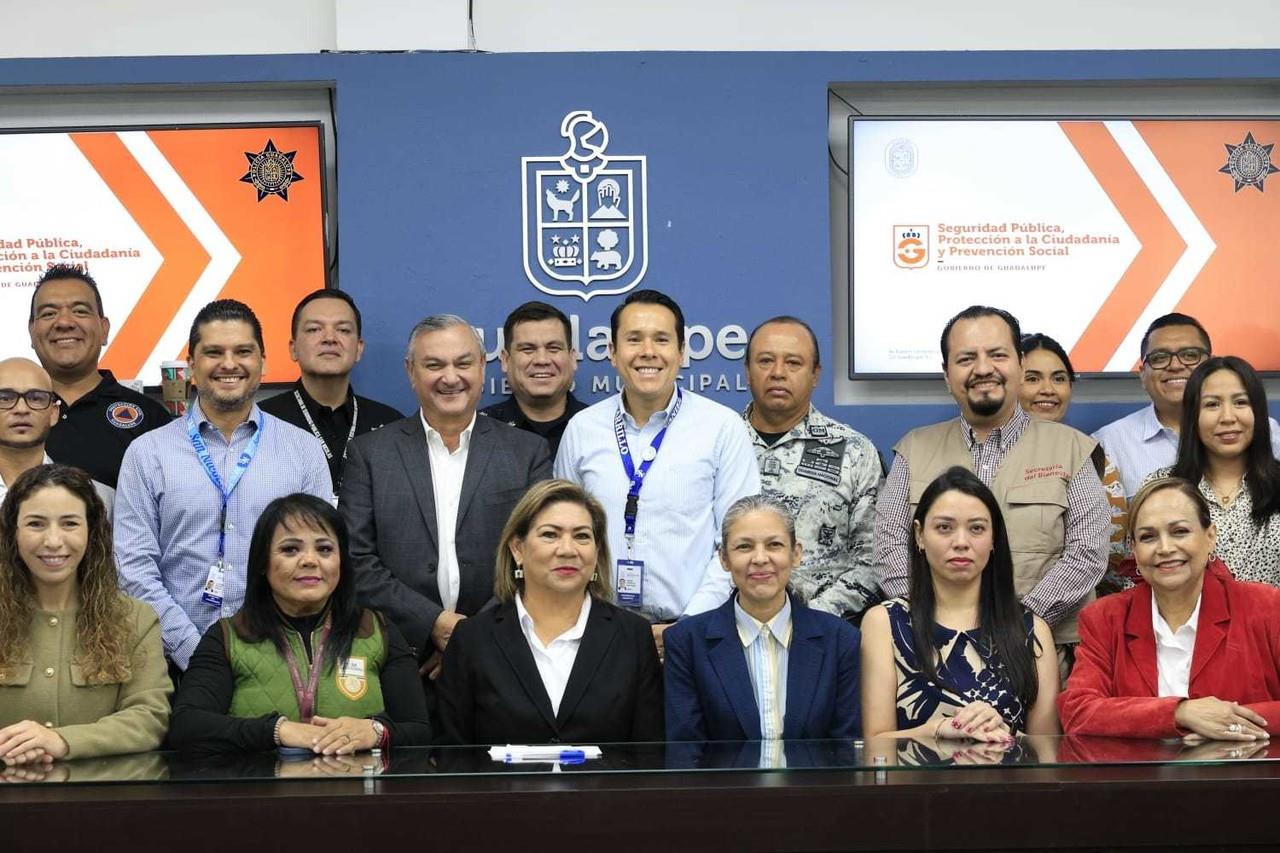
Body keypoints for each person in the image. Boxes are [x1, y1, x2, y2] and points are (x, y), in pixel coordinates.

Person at [874, 305, 1108, 660]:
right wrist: (941, 625)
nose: (983, 369)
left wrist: (1018, 625)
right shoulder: (913, 449)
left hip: (1046, 654)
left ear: (1020, 363)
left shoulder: (1072, 449)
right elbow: (889, 548)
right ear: (947, 374)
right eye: (966, 358)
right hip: (933, 657)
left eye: (997, 355)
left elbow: (1087, 552)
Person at [114, 299, 333, 672]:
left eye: (243, 352)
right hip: (172, 665)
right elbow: (133, 569)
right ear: (193, 367)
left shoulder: (303, 451)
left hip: (281, 662)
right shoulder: (147, 453)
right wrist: (196, 654)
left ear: (263, 363)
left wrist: (270, 654)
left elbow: (320, 563)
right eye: (213, 352)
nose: (229, 364)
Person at [342, 314, 551, 677]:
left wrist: (471, 636)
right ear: (411, 371)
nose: (450, 377)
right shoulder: (370, 454)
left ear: (483, 368)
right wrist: (434, 624)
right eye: (434, 365)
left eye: (463, 363)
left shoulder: (527, 452)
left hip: (503, 654)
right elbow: (356, 559)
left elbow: (538, 557)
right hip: (400, 656)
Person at [555, 289, 760, 655]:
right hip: (597, 637)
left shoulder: (722, 428)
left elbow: (738, 543)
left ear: (682, 352)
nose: (648, 351)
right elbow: (562, 539)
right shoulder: (582, 430)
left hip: (699, 635)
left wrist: (687, 627)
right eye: (634, 339)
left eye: (662, 339)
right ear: (613, 353)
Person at [169, 493, 431, 753]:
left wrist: (376, 732)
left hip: (357, 792)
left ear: (342, 562)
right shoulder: (228, 636)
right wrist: (279, 731)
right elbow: (186, 727)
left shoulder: (376, 629)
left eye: (325, 549)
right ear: (263, 563)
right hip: (261, 792)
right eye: (290, 549)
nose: (309, 560)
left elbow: (420, 731)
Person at [436, 479, 662, 745]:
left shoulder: (633, 636)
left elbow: (650, 754)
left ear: (597, 550)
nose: (567, 550)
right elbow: (452, 755)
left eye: (582, 536)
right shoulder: (472, 639)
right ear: (517, 549)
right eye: (550, 534)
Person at [1059, 477, 1280, 740]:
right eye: (1148, 537)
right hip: (1140, 779)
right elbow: (1078, 711)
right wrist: (1180, 713)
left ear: (1210, 537)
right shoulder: (1106, 617)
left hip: (1247, 777)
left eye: (1180, 532)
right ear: (1134, 550)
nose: (1165, 548)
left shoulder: (1266, 606)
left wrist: (1223, 724)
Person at [862, 467, 1059, 740]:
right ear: (919, 535)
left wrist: (1003, 732)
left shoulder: (1033, 630)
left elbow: (1048, 754)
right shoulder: (884, 623)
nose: (961, 542)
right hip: (915, 781)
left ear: (993, 539)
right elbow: (874, 744)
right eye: (945, 528)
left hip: (1009, 781)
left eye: (977, 528)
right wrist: (938, 730)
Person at [0, 465, 171, 764]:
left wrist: (62, 741)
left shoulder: (135, 619)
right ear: (13, 533)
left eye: (69, 524)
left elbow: (149, 717)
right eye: (36, 524)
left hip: (99, 804)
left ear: (92, 532)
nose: (53, 541)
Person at [663, 494, 861, 741]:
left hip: (813, 781)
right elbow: (686, 750)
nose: (759, 559)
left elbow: (846, 748)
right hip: (722, 781)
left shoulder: (841, 640)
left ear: (796, 554)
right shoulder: (686, 642)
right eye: (744, 546)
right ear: (724, 558)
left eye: (774, 545)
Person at [742, 316, 882, 621]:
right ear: (747, 371)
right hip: (725, 631)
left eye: (793, 363)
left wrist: (810, 619)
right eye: (765, 361)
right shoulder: (716, 443)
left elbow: (872, 559)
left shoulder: (854, 451)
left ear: (815, 374)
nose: (778, 373)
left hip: (823, 633)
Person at [1092, 313, 1280, 499]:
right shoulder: (1110, 443)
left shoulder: (1260, 429)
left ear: (1210, 364)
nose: (1175, 365)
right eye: (1159, 358)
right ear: (1142, 374)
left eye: (1190, 355)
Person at [27, 264, 172, 490]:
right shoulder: (9, 413)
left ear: (104, 329)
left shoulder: (152, 420)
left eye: (80, 311)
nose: (64, 323)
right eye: (49, 313)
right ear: (32, 332)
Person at [1141, 357, 1280, 586]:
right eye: (1212, 404)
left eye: (1241, 402)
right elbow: (1141, 577)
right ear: (1193, 416)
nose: (1227, 417)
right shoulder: (1161, 487)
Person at [259, 289, 403, 498]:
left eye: (343, 330)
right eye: (314, 329)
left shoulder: (391, 425)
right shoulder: (262, 421)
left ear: (359, 348)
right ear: (293, 348)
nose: (329, 338)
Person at [1019, 333, 1128, 589]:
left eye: (1058, 378)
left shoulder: (1091, 456)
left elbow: (1111, 554)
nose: (1048, 389)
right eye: (1032, 378)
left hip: (1082, 605)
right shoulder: (985, 455)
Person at [0, 357, 114, 514]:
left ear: (54, 413)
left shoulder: (96, 497)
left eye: (36, 398)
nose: (21, 409)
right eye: (5, 398)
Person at [481, 301, 587, 458]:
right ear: (505, 360)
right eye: (527, 349)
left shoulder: (602, 428)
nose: (542, 360)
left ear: (572, 358)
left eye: (553, 348)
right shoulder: (478, 432)